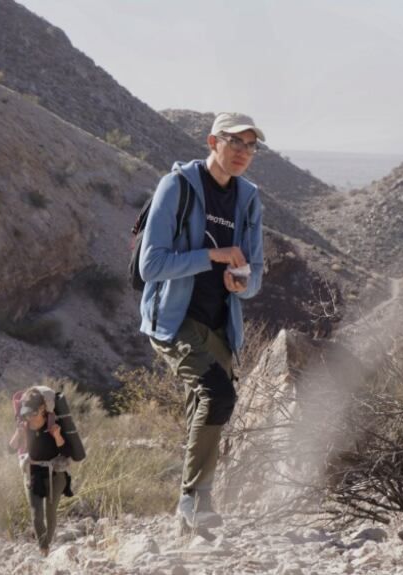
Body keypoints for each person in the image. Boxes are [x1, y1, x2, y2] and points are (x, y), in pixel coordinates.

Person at [138, 112, 265, 531]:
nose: (243, 152)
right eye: (235, 142)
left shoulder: (248, 198)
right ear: (213, 142)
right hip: (175, 318)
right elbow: (151, 265)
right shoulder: (177, 186)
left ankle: (189, 516)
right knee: (218, 395)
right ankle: (196, 499)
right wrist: (211, 256)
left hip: (220, 323)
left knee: (205, 407)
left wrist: (240, 284)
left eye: (251, 145)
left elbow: (255, 274)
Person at [10, 387, 73, 557]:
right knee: (36, 515)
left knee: (50, 515)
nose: (30, 417)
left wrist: (57, 435)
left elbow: (67, 451)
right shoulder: (24, 425)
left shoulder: (53, 424)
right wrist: (18, 434)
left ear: (43, 409)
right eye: (27, 413)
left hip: (55, 474)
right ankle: (43, 550)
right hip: (33, 473)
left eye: (33, 413)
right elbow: (10, 450)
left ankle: (47, 545)